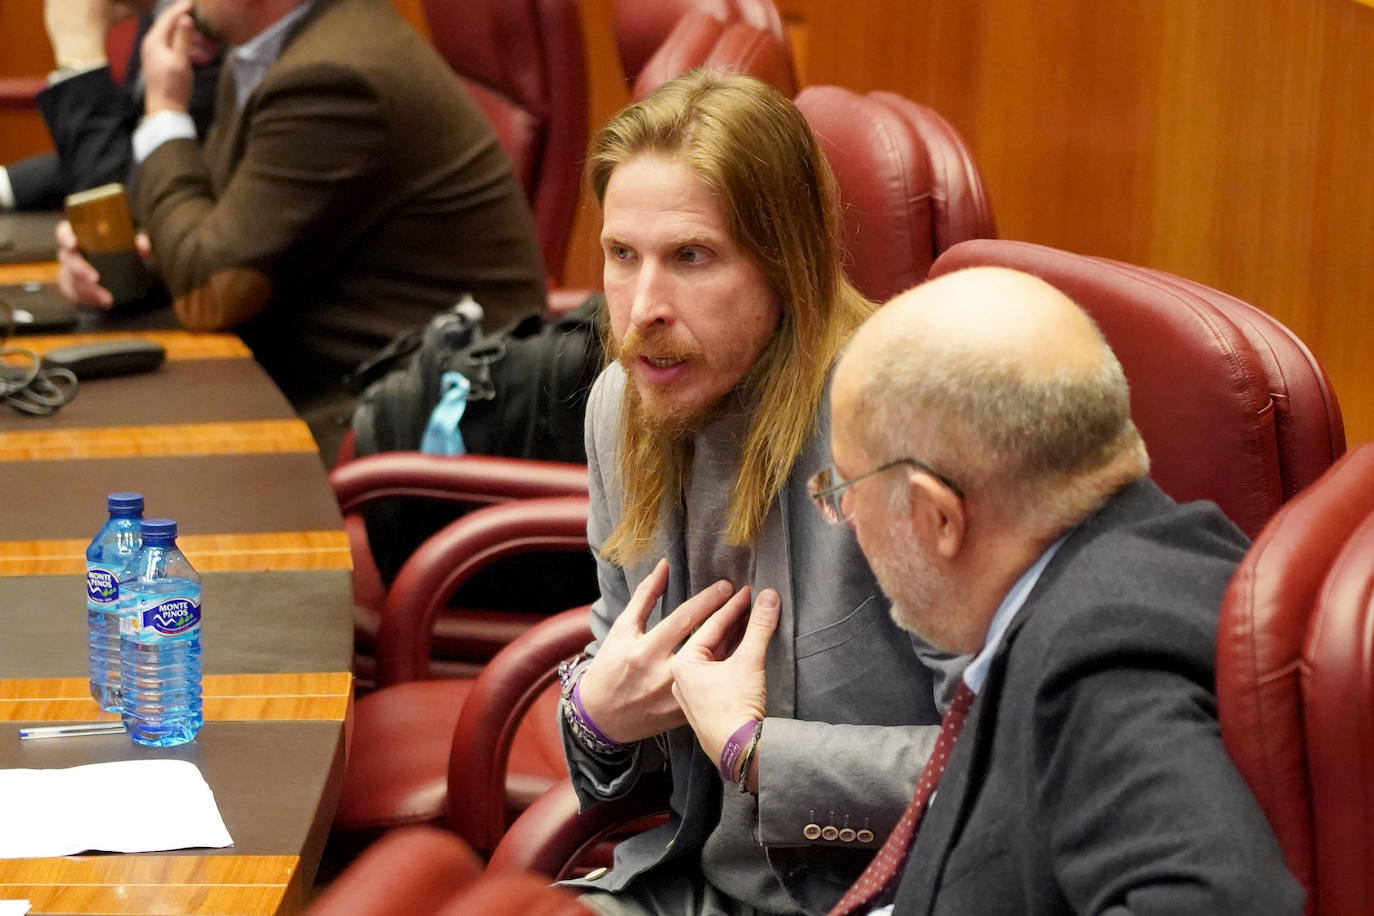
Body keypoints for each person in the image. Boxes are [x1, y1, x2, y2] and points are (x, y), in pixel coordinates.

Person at [560, 71, 957, 916]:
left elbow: (1010, 764)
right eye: (622, 256)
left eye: (691, 258)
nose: (644, 309)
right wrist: (595, 715)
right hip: (687, 889)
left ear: (786, 268)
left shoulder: (899, 430)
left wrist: (756, 751)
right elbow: (615, 698)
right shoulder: (620, 406)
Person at [820, 266, 1304, 915]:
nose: (846, 516)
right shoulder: (1086, 574)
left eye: (848, 489)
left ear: (939, 517)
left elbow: (1223, 901)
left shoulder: (1106, 650)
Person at [55, 0, 547, 462]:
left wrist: (165, 114)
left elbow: (207, 292)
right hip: (326, 382)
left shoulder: (335, 76)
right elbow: (222, 237)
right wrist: (127, 263)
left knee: (97, 454)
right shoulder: (276, 53)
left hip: (402, 428)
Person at [0, 0, 220, 212]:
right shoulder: (159, 8)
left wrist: (78, 44)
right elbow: (127, 157)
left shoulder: (222, 23)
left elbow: (117, 206)